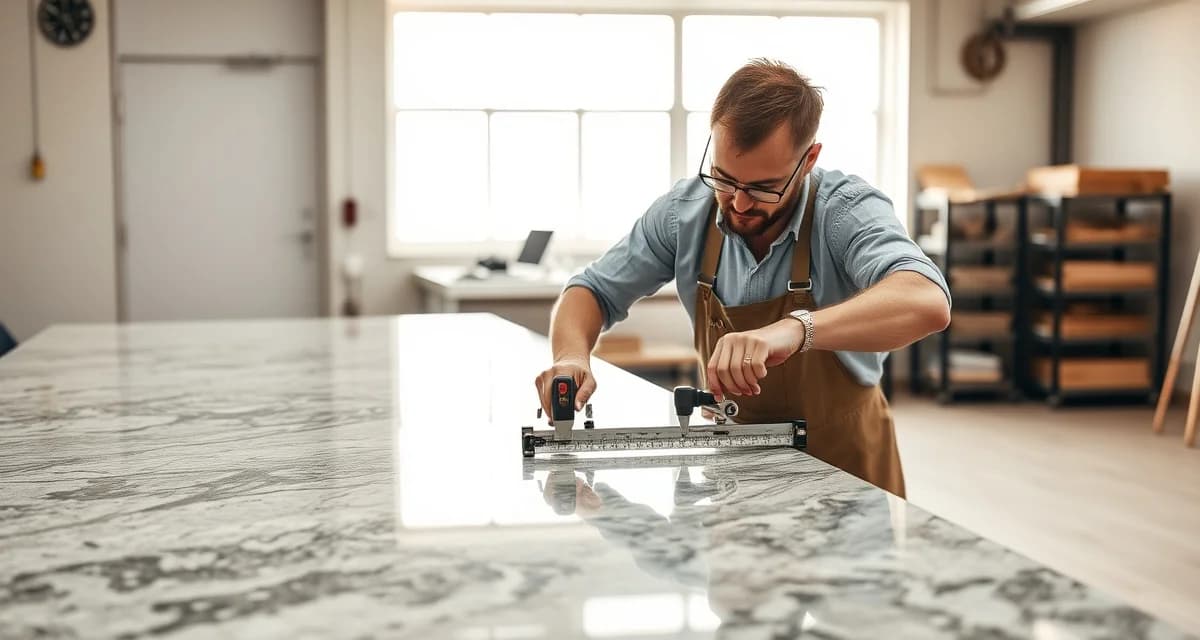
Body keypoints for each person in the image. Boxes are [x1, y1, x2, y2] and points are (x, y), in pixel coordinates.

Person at [534, 59, 951, 497]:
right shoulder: (684, 212)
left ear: (808, 160)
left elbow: (926, 300)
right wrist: (572, 357)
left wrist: (796, 329)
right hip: (732, 471)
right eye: (724, 178)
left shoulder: (845, 210)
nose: (739, 203)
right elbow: (592, 290)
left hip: (845, 469)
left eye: (763, 187)